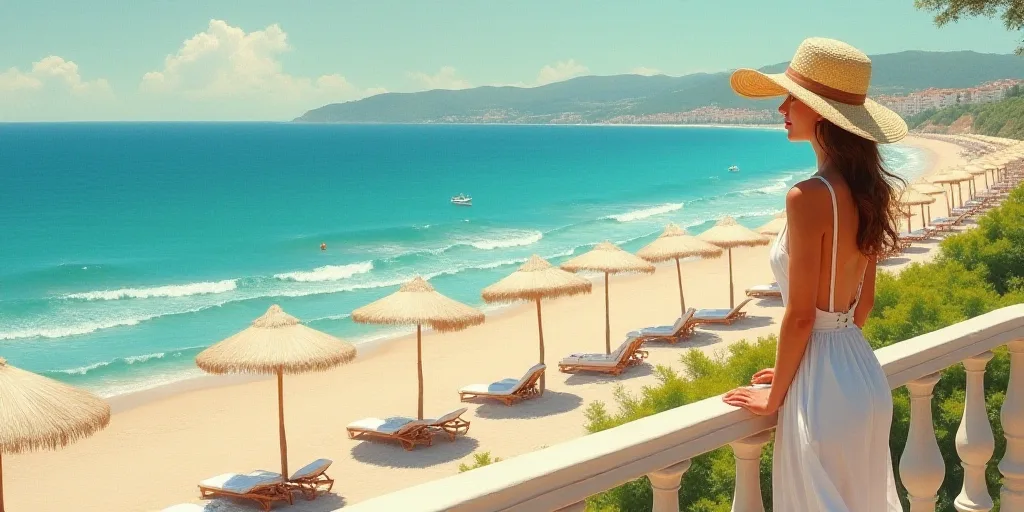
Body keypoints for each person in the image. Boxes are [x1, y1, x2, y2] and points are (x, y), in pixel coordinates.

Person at [721, 37, 907, 511]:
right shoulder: (869, 190)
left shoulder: (808, 197)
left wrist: (777, 394)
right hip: (862, 377)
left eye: (792, 98)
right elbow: (862, 304)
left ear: (822, 113)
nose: (781, 107)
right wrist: (809, 363)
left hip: (824, 394)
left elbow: (802, 315)